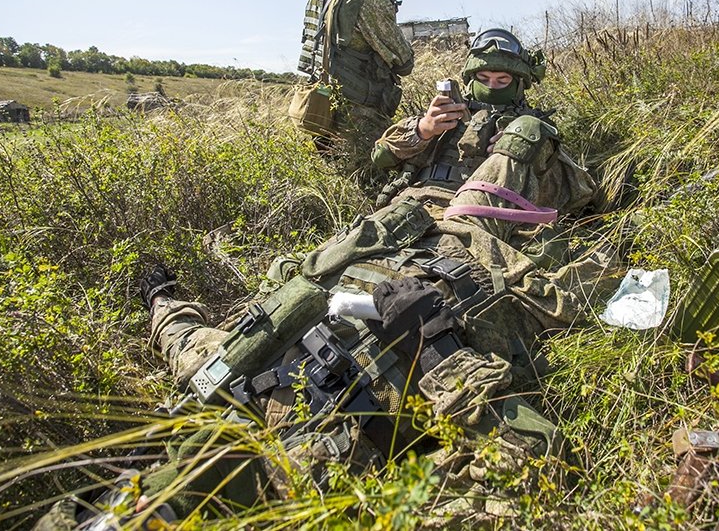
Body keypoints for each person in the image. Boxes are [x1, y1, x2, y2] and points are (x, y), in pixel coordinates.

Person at [36, 114, 624, 528]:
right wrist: (443, 355)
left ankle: (574, 184)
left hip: (413, 232)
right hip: (486, 274)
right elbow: (532, 468)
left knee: (520, 141)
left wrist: (161, 299)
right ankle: (603, 192)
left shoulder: (225, 394)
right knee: (533, 149)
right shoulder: (320, 489)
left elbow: (189, 343)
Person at [372, 28, 603, 218]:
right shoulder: (448, 112)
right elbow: (380, 157)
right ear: (471, 80)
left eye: (502, 80)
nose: (491, 86)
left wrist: (522, 150)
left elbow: (578, 190)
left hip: (485, 214)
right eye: (483, 79)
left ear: (519, 84)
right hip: (417, 204)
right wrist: (424, 129)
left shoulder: (534, 127)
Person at [293, 0, 416, 180]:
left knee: (333, 179)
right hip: (359, 114)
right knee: (369, 184)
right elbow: (405, 62)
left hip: (320, 106)